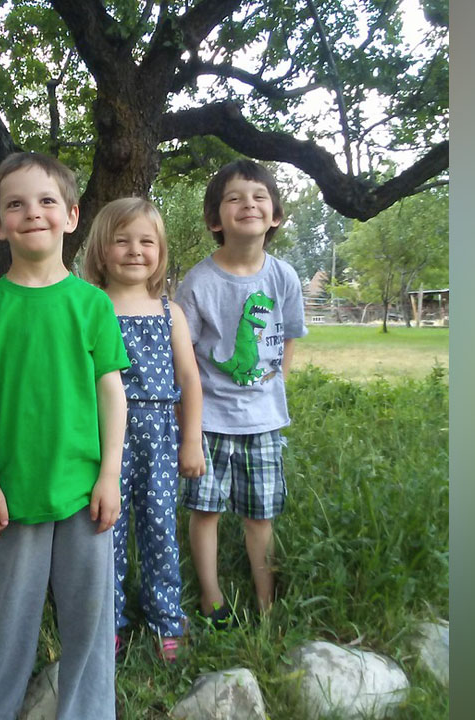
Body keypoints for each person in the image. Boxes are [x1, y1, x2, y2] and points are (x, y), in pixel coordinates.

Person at [0, 152, 128, 720]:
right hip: (14, 493)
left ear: (72, 215)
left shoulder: (92, 304)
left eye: (48, 201)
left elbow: (111, 394)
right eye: (16, 205)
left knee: (90, 622)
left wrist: (109, 476)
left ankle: (89, 711)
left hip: (84, 491)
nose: (34, 213)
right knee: (11, 621)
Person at [173, 158, 307, 627]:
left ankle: (267, 600)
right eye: (234, 197)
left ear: (274, 216)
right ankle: (211, 600)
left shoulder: (283, 277)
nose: (247, 204)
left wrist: (279, 381)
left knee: (260, 516)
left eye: (258, 197)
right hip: (209, 421)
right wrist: (186, 424)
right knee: (205, 510)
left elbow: (290, 331)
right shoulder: (200, 282)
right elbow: (184, 354)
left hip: (265, 421)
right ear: (215, 219)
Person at [80, 198, 205, 661]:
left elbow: (189, 378)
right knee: (103, 529)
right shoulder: (91, 306)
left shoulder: (169, 311)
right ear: (101, 250)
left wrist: (191, 439)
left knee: (159, 529)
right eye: (122, 240)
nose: (135, 250)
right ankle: (106, 620)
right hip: (102, 438)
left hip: (159, 436)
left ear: (161, 251)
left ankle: (165, 617)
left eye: (147, 241)